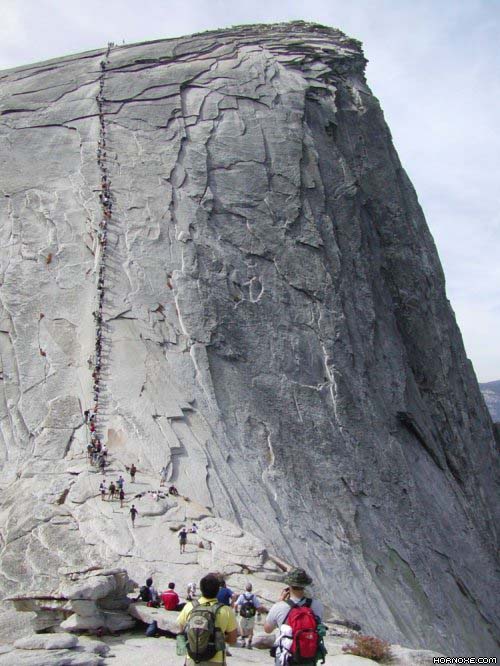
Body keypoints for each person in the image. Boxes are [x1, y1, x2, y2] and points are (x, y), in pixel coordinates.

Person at [264, 568, 323, 666]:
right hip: (308, 657)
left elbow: (267, 629)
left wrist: (279, 602)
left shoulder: (279, 606)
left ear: (289, 586)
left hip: (286, 656)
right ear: (304, 586)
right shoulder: (317, 605)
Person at [177, 573, 237, 665]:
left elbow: (181, 632)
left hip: (192, 659)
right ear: (217, 591)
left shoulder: (189, 607)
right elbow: (233, 640)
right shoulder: (226, 611)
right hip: (216, 660)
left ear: (201, 589)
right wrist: (216, 638)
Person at [235, 583, 262, 649]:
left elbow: (236, 604)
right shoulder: (254, 597)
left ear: (245, 588)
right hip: (251, 616)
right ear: (251, 589)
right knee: (251, 629)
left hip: (243, 615)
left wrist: (236, 611)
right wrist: (258, 614)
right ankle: (249, 643)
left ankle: (243, 640)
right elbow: (258, 607)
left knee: (241, 627)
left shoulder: (242, 596)